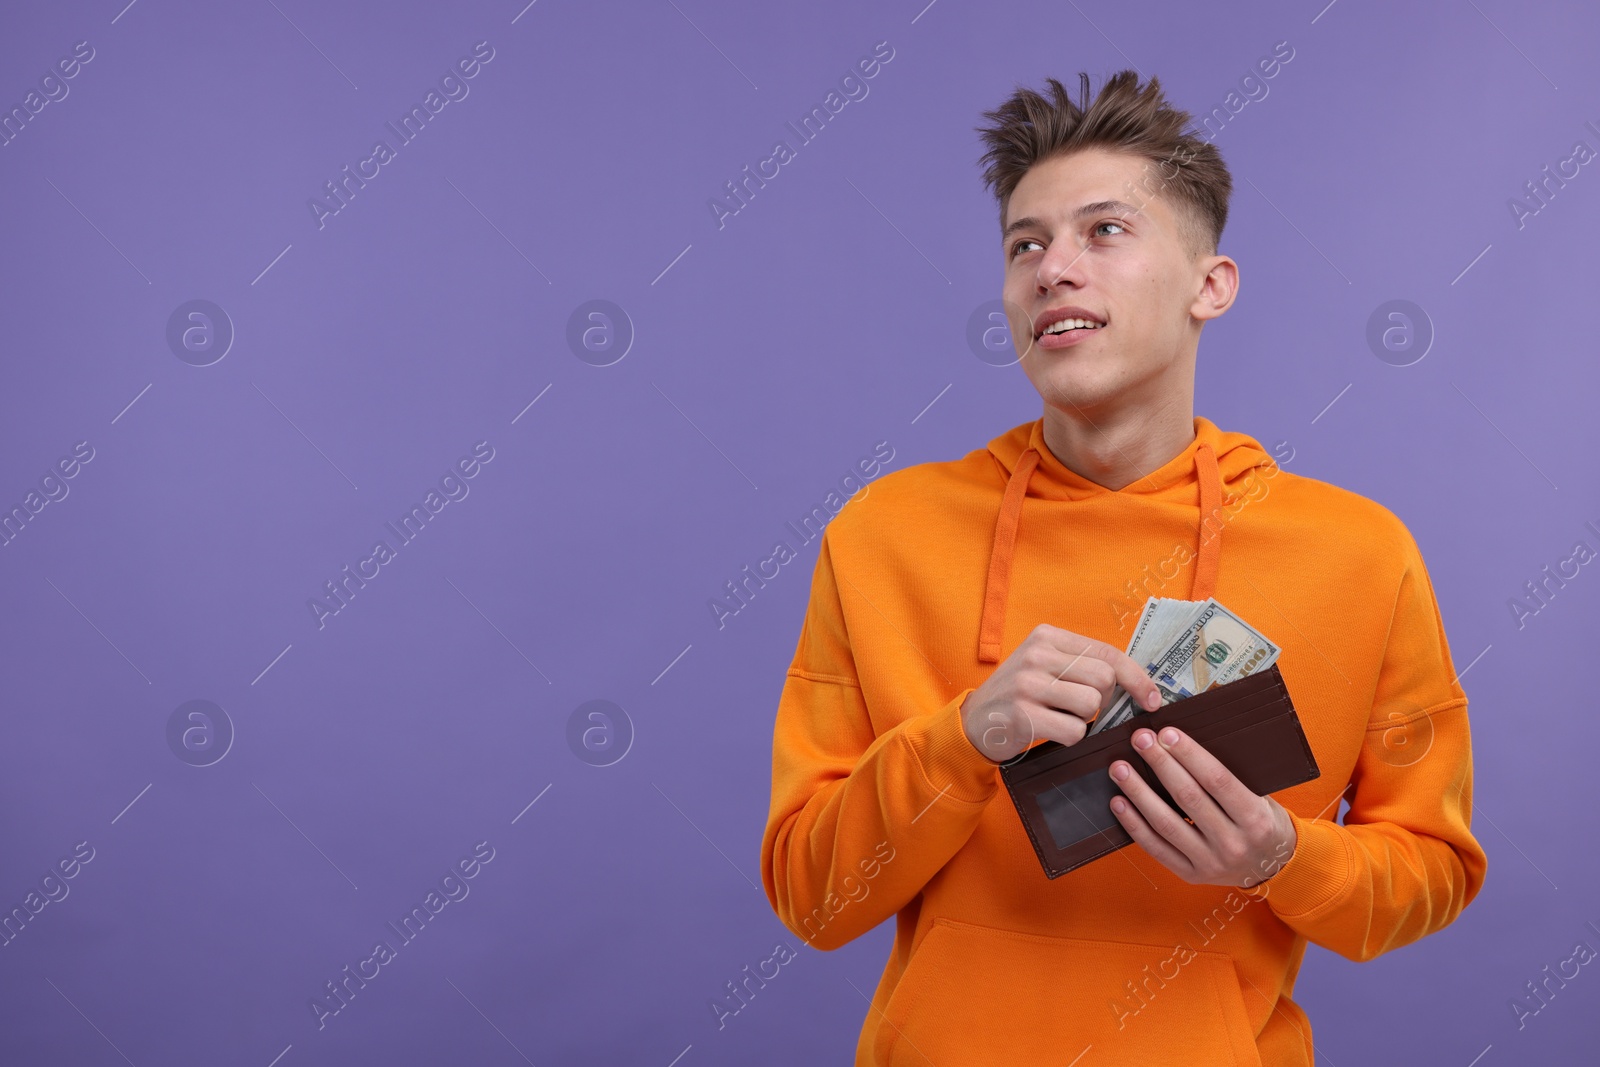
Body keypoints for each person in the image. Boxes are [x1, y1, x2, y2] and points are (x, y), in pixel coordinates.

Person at [758, 70, 1487, 1066]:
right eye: (1026, 243)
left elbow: (1430, 870)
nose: (1052, 268)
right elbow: (814, 896)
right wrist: (962, 739)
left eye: (1104, 230)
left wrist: (1284, 855)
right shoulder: (883, 531)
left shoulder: (1360, 552)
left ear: (1208, 284)